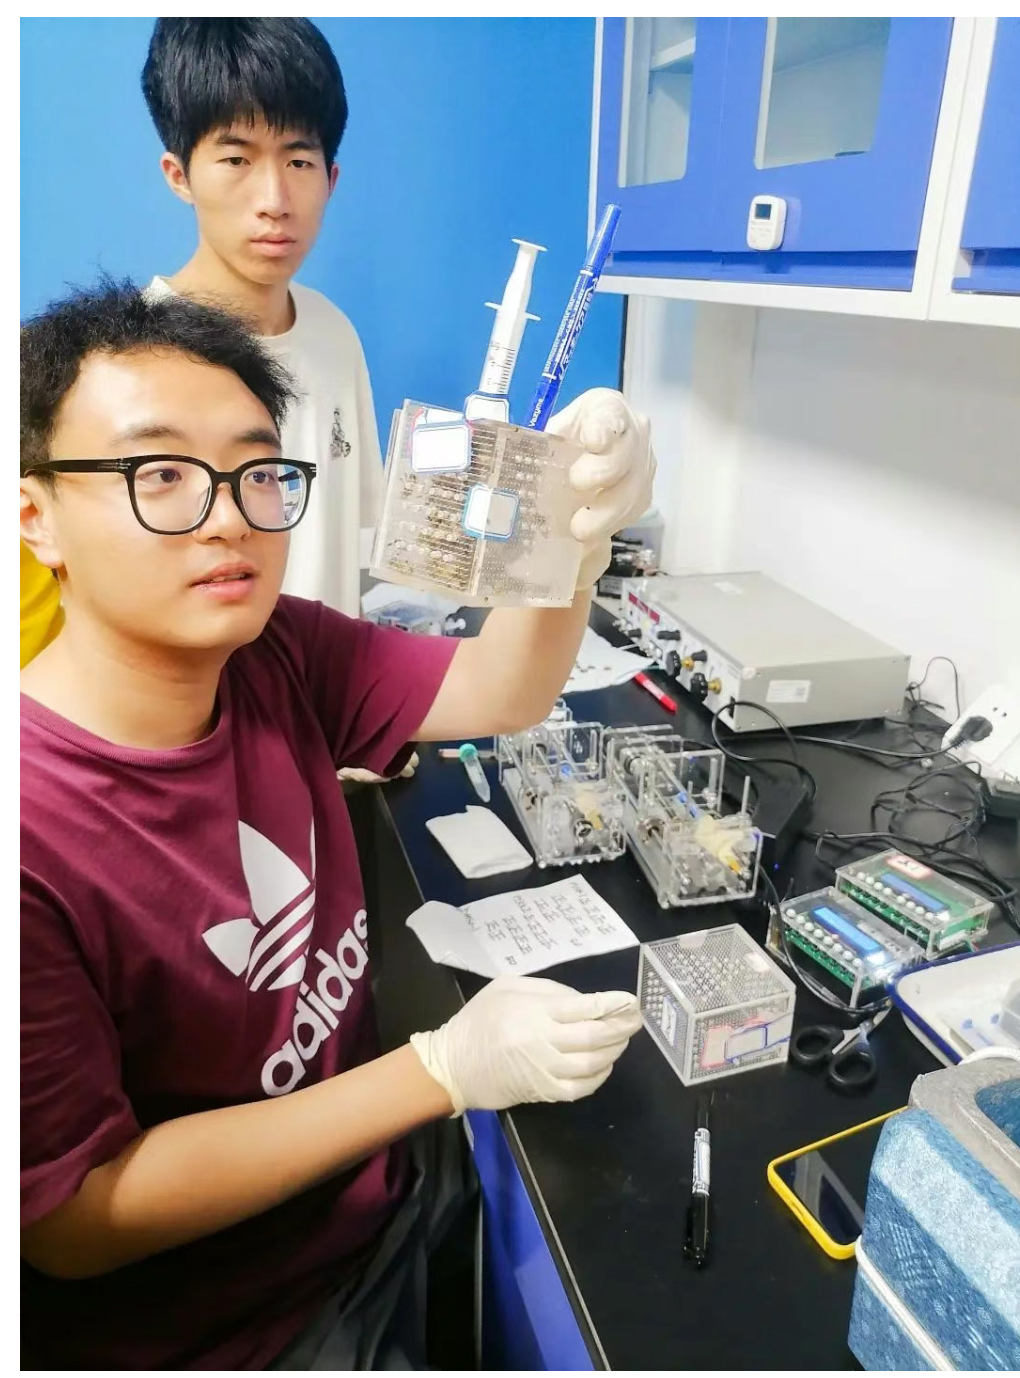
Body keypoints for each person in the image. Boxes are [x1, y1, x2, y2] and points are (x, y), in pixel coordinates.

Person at [20, 280, 654, 1370]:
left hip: (373, 1194)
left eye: (258, 470)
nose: (227, 515)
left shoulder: (272, 652)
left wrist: (572, 541)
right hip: (239, 1324)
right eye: (159, 473)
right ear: (35, 516)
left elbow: (499, 689)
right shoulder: (31, 836)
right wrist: (439, 1070)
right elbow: (78, 1218)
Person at [141, 18, 380, 620]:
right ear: (179, 176)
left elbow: (353, 545)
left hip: (328, 677)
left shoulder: (334, 333)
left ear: (331, 179)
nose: (274, 200)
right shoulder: (135, 360)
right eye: (236, 158)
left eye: (298, 162)